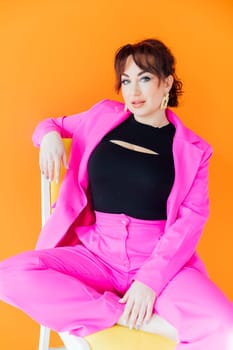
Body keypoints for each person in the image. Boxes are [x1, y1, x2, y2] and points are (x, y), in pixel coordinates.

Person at [0, 38, 232, 350]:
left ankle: (143, 311)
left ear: (167, 84)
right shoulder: (102, 117)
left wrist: (149, 282)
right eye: (126, 81)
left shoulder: (195, 150)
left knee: (226, 327)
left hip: (157, 258)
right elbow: (51, 124)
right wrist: (50, 137)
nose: (133, 92)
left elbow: (190, 222)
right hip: (95, 255)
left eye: (145, 79)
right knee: (10, 275)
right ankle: (123, 315)